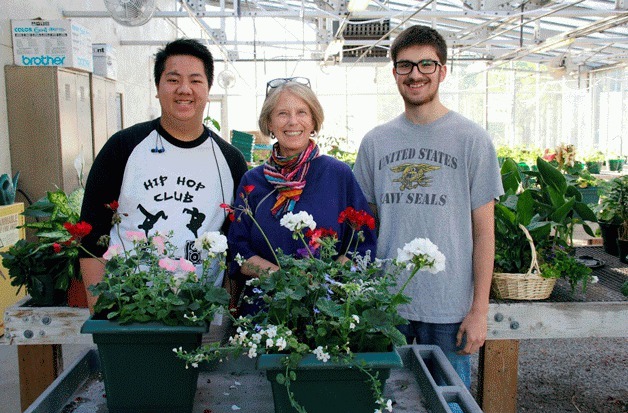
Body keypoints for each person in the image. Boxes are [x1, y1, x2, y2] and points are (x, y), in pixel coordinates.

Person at [353, 25, 504, 389]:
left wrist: (479, 311)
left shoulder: (472, 140)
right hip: (387, 305)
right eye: (405, 66)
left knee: (450, 405)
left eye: (426, 64)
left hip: (449, 308)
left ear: (443, 71)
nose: (415, 74)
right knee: (383, 401)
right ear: (394, 73)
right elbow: (364, 226)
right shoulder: (376, 142)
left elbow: (484, 234)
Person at [79, 38, 248, 310]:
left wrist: (225, 311)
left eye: (195, 80)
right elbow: (91, 231)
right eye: (173, 80)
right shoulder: (124, 147)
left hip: (201, 310)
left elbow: (236, 242)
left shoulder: (229, 160)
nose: (184, 90)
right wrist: (99, 308)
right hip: (129, 308)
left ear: (207, 89)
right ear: (157, 88)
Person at [227, 78, 377, 313]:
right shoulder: (253, 181)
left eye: (302, 112)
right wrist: (283, 279)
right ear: (269, 123)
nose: (293, 121)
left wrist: (323, 282)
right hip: (265, 311)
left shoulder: (337, 174)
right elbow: (238, 250)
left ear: (314, 120)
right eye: (282, 113)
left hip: (327, 309)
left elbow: (361, 242)